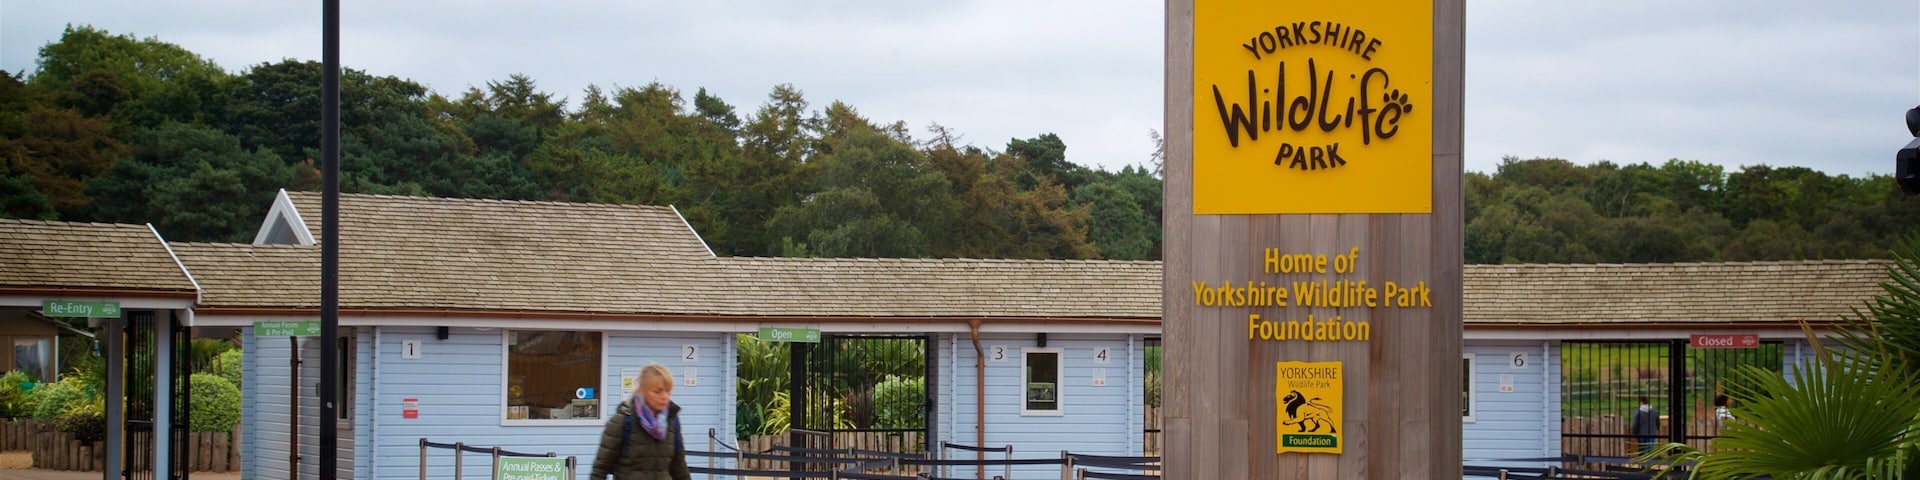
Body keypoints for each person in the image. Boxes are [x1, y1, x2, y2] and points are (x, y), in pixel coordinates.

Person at [591, 363, 691, 480]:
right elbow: (600, 470)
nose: (665, 396)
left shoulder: (672, 421)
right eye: (657, 391)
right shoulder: (622, 421)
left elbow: (679, 468)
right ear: (642, 391)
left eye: (668, 391)